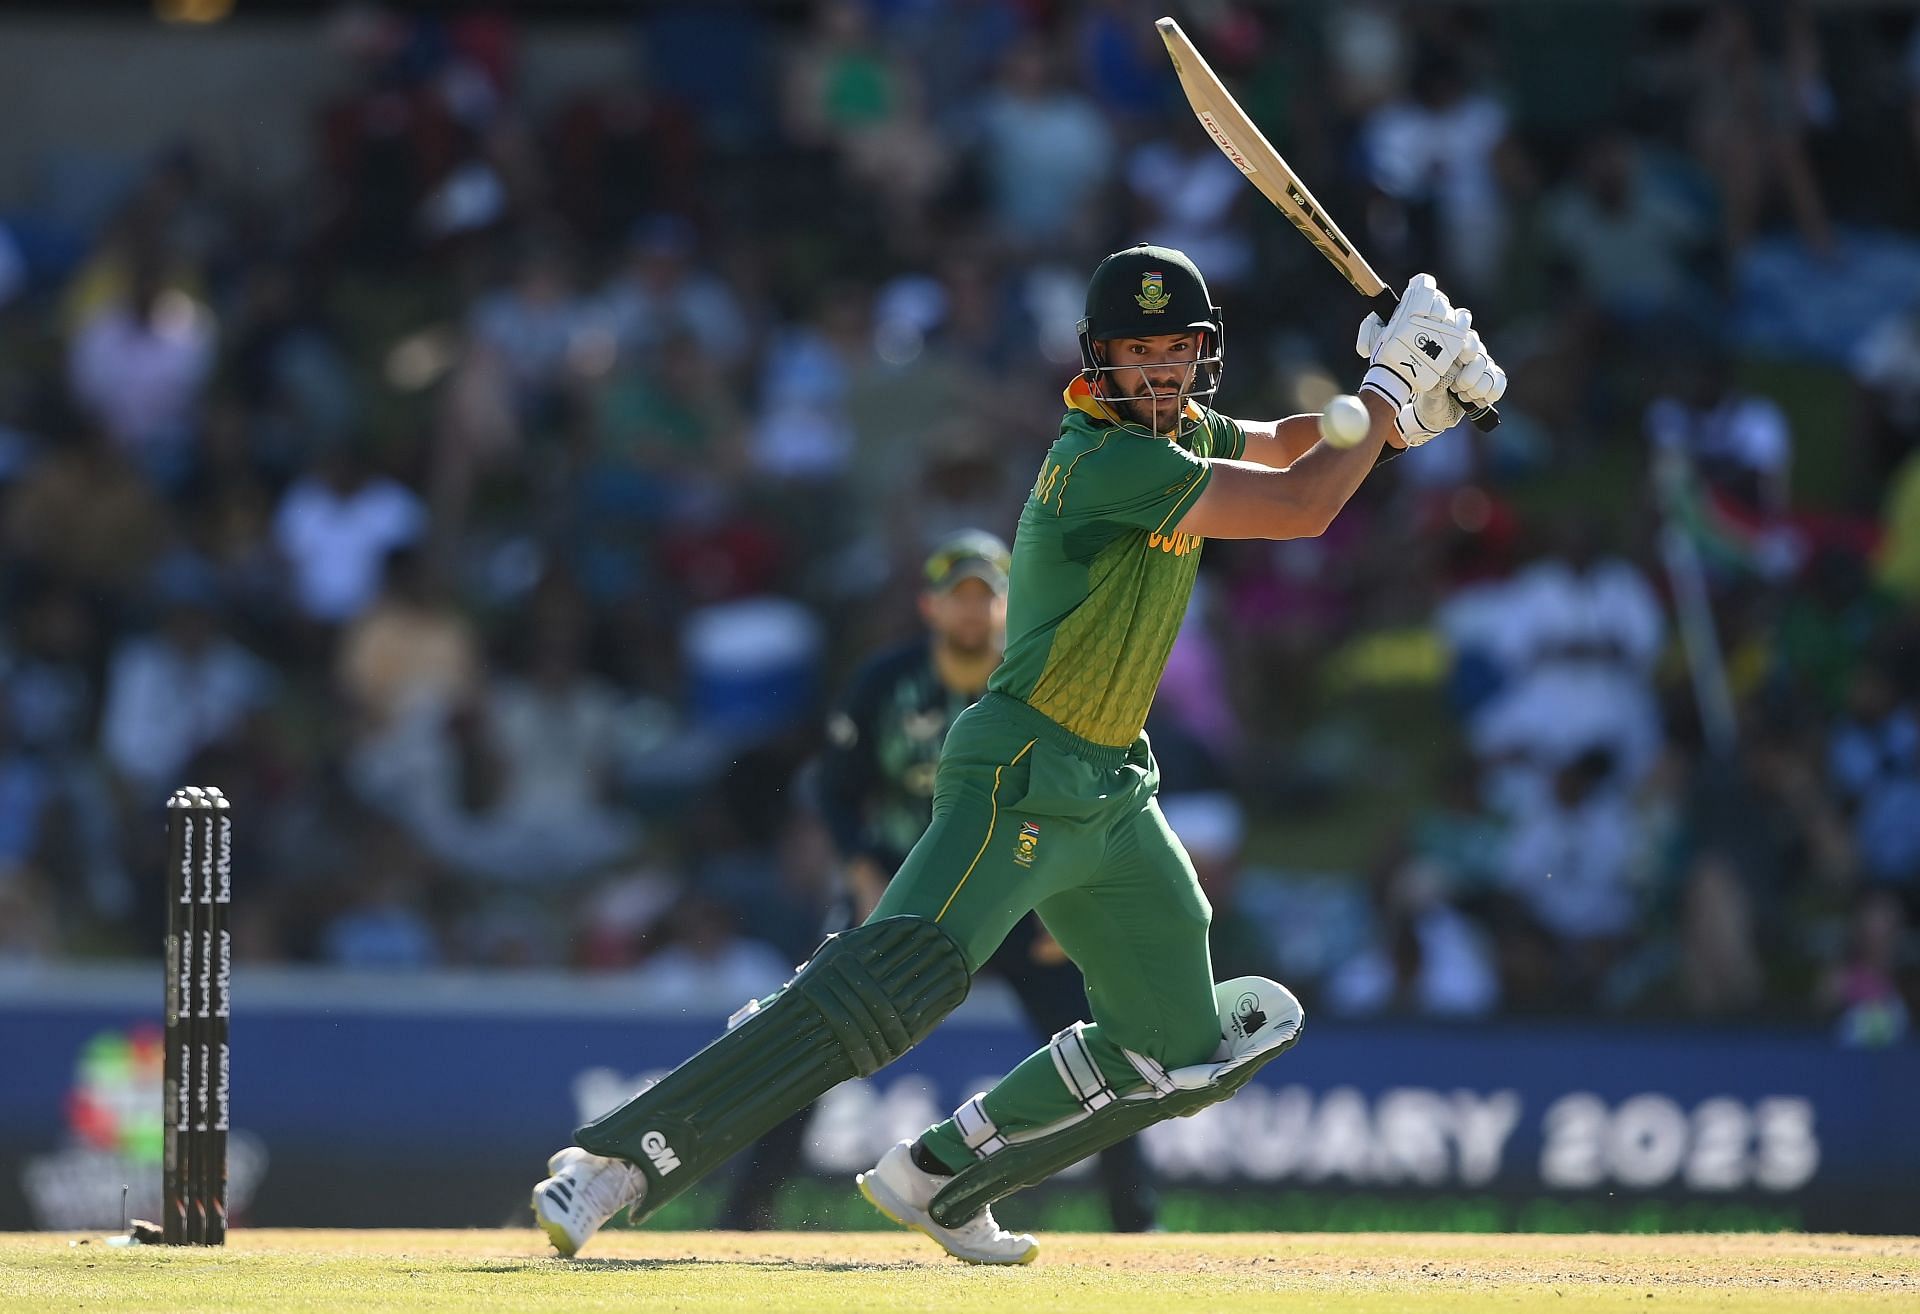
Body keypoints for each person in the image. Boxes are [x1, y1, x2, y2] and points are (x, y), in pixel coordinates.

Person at [532, 245, 1506, 1264]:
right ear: (1100, 363)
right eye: (1141, 354)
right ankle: (617, 1164)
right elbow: (1304, 505)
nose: (1164, 370)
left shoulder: (1177, 432)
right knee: (888, 985)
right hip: (1021, 770)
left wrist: (1409, 410)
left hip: (1113, 791)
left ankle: (944, 1177)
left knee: (1182, 1049)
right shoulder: (1105, 460)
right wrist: (1394, 382)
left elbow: (1296, 445)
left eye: (1180, 350)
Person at [718, 530, 1158, 1232]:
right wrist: (861, 872)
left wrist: (1066, 903)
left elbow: (1086, 796)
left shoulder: (1046, 684)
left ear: (1011, 605)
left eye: (987, 597)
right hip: (901, 890)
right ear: (930, 606)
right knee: (817, 1033)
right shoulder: (887, 684)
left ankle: (1136, 1220)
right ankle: (745, 1219)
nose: (973, 612)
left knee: (1098, 1040)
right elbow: (834, 789)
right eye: (960, 598)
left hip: (1015, 891)